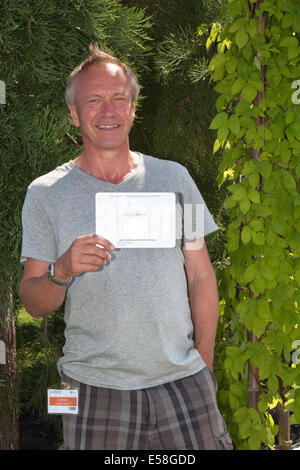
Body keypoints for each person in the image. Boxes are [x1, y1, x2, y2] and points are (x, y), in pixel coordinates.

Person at [18, 44, 233, 450]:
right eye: (94, 100)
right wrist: (61, 270)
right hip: (94, 389)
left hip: (183, 383)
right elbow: (32, 302)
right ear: (74, 113)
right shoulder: (46, 194)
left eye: (119, 98)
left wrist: (203, 366)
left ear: (133, 108)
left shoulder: (174, 179)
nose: (109, 110)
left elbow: (201, 275)